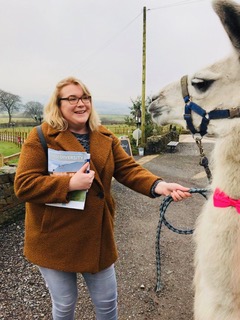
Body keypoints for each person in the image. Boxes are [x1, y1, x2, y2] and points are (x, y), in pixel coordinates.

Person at [14, 76, 191, 320]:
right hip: (53, 236)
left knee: (107, 303)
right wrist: (68, 183)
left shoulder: (104, 136)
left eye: (85, 98)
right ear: (58, 104)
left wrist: (158, 185)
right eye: (72, 98)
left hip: (96, 235)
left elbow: (128, 169)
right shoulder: (41, 137)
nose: (81, 104)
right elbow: (23, 185)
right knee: (65, 304)